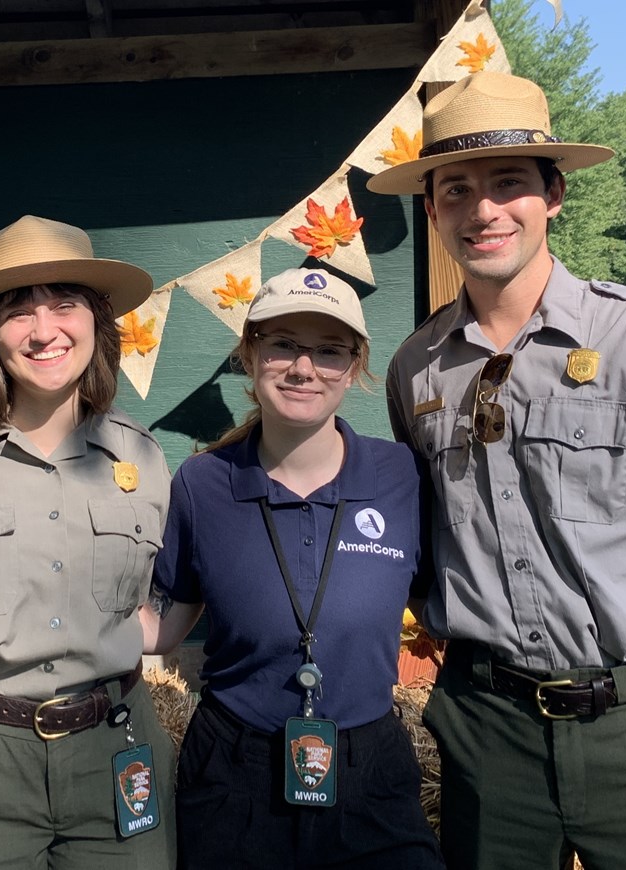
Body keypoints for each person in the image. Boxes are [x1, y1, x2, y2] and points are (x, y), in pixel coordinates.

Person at [372, 71, 626, 870]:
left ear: (553, 195)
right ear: (432, 209)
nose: (482, 210)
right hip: (489, 733)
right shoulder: (417, 367)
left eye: (508, 183)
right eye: (455, 190)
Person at [141, 267, 443, 870]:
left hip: (370, 762)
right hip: (234, 766)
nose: (304, 368)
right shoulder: (203, 484)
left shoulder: (403, 477)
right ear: (249, 354)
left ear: (355, 366)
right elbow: (162, 625)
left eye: (329, 351)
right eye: (282, 344)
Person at [0, 215, 176, 869]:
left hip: (115, 748)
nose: (44, 329)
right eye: (18, 308)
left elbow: (156, 600)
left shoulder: (143, 457)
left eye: (64, 303)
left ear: (98, 320)